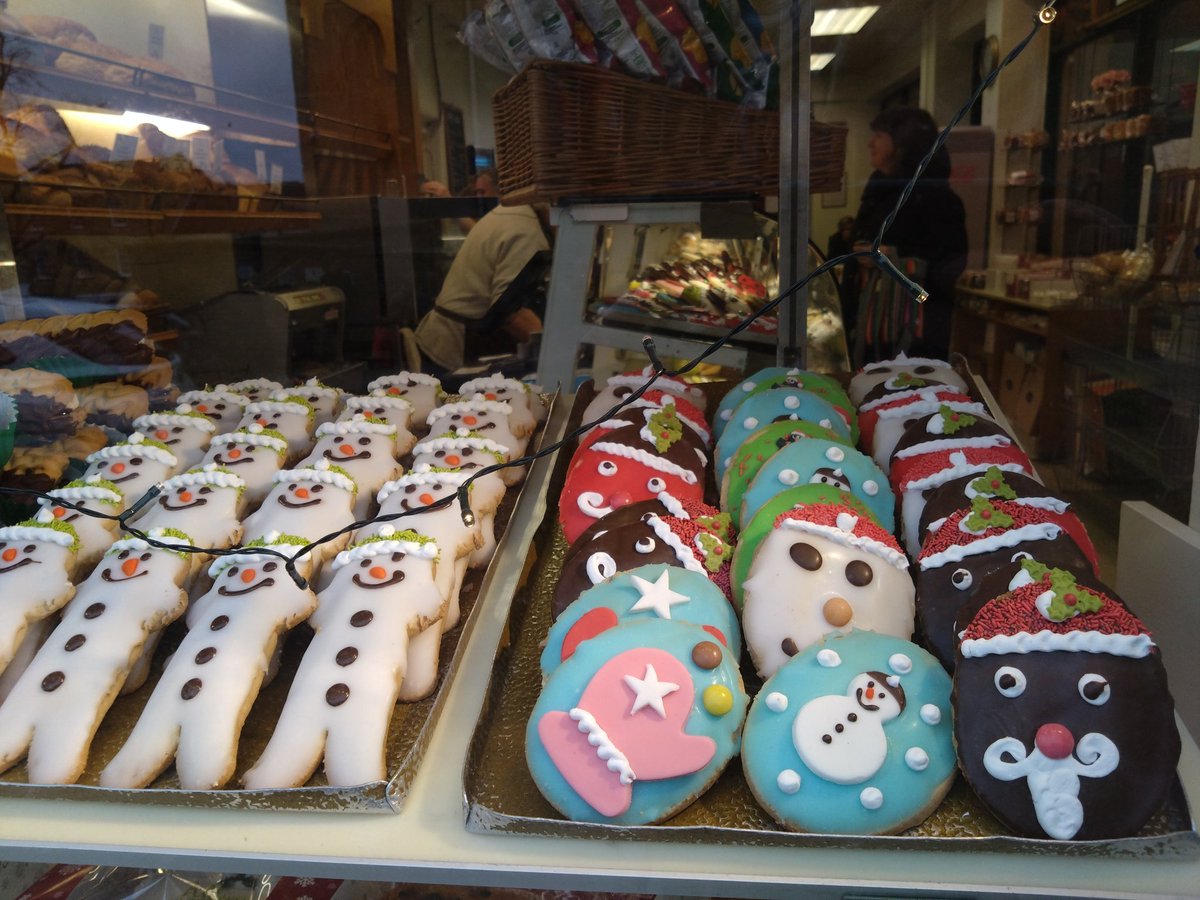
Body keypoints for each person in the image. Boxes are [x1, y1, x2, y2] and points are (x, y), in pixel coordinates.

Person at [847, 107, 967, 361]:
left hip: (914, 337)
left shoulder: (938, 199)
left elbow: (950, 266)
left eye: (879, 135)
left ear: (902, 144)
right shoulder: (878, 191)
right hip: (871, 327)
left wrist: (893, 257)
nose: (870, 143)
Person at [413, 203, 551, 375]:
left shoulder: (511, 212)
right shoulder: (527, 231)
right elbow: (511, 312)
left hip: (445, 337)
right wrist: (553, 349)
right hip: (457, 346)